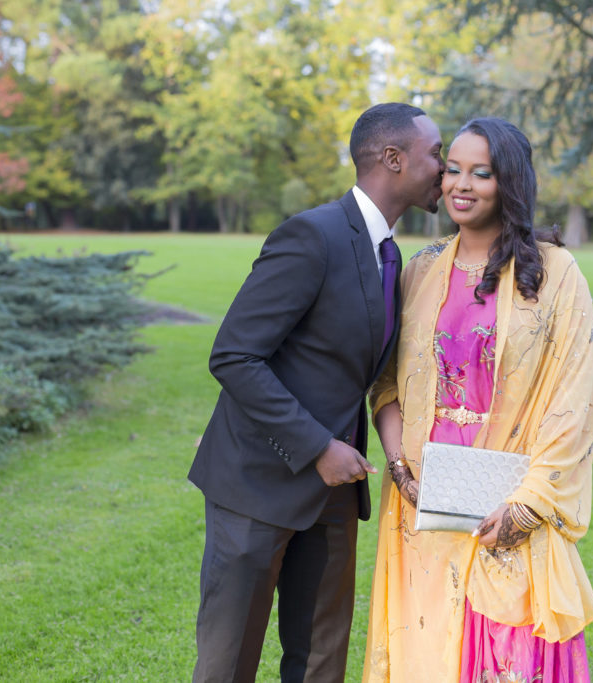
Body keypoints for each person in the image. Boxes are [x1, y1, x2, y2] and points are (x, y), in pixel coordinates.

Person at [187, 102, 445, 683]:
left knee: (321, 663)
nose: (444, 167)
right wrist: (316, 447)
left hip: (333, 494)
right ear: (393, 159)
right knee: (229, 664)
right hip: (257, 483)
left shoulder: (390, 254)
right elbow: (234, 354)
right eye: (436, 154)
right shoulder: (313, 235)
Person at [362, 118, 593, 682]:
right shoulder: (419, 270)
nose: (460, 185)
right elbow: (386, 381)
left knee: (503, 656)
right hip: (422, 499)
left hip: (509, 497)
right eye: (452, 169)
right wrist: (399, 466)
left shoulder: (555, 274)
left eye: (481, 173)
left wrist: (529, 504)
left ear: (509, 182)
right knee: (425, 651)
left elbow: (576, 399)